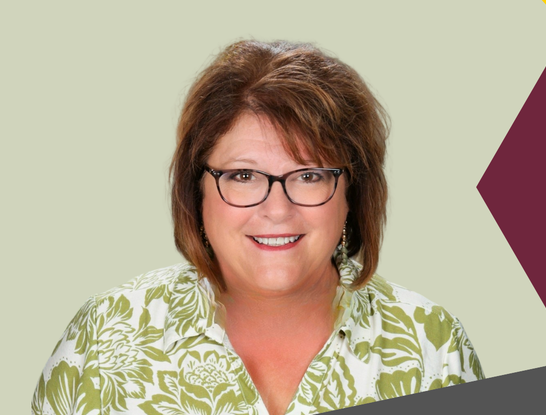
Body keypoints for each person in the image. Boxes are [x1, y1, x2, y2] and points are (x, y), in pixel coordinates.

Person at [31, 40, 483, 415]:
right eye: (243, 176)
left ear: (352, 192)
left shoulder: (433, 346)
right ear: (197, 192)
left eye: (309, 175)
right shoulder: (105, 335)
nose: (276, 209)